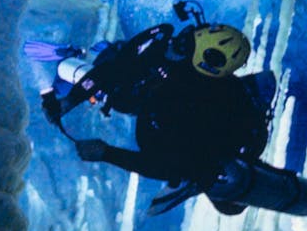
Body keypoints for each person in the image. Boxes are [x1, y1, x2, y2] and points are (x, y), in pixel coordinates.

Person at [37, 11, 273, 214]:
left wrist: (106, 152)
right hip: (134, 95)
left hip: (144, 105)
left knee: (104, 74)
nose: (177, 50)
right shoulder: (168, 56)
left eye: (186, 47)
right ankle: (81, 55)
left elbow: (166, 165)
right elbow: (113, 71)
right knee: (102, 65)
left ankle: (81, 60)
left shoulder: (204, 107)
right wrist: (70, 101)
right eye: (186, 41)